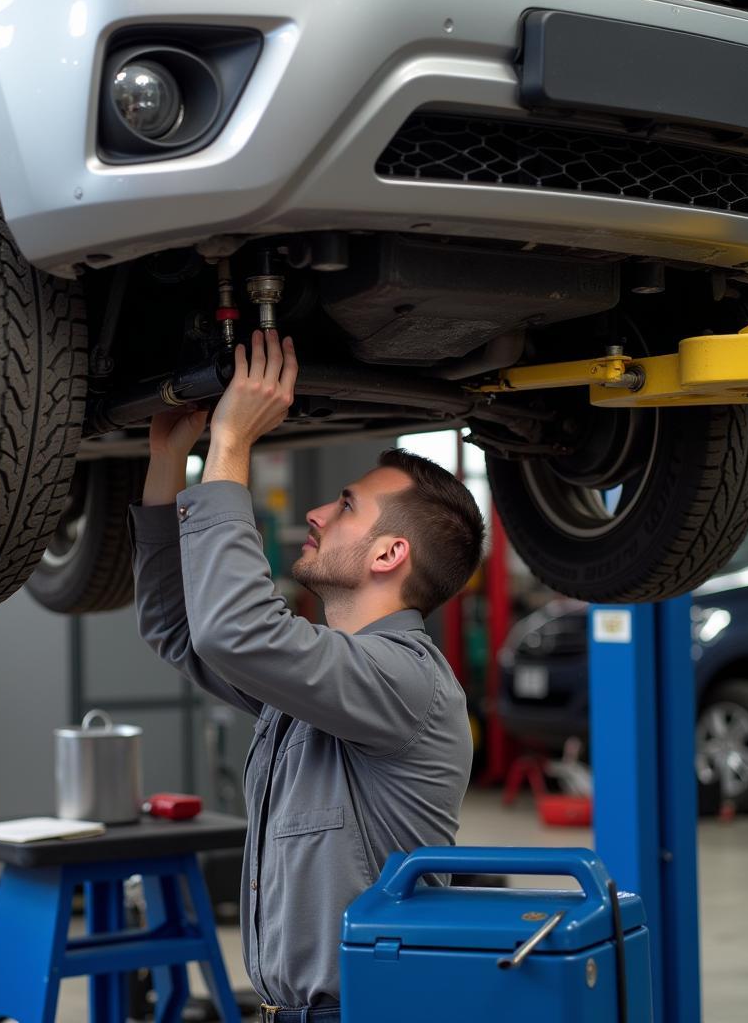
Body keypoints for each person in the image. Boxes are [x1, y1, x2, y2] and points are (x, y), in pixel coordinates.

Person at [130, 328, 485, 1022]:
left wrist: (231, 445)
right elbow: (184, 629)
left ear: (389, 554)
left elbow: (236, 632)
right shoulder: (316, 688)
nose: (318, 514)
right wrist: (170, 460)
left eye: (346, 506)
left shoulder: (406, 684)